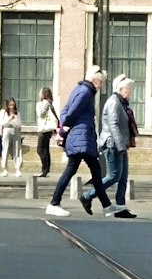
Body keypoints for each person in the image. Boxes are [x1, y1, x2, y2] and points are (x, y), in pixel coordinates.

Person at [44, 66, 115, 218]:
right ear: (95, 80)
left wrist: (64, 126)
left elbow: (65, 111)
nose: (101, 85)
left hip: (81, 136)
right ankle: (54, 203)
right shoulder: (86, 92)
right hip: (82, 136)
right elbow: (71, 113)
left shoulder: (79, 89)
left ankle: (107, 206)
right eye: (100, 82)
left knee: (93, 170)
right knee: (80, 169)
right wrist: (67, 126)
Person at [81, 75, 138, 218]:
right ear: (120, 89)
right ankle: (87, 196)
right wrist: (120, 146)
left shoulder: (122, 102)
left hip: (121, 144)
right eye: (128, 90)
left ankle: (120, 207)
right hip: (112, 144)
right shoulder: (114, 102)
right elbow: (113, 125)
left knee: (123, 177)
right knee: (113, 176)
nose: (130, 93)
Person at [35, 86, 59, 179]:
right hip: (48, 129)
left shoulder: (45, 103)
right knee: (45, 149)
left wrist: (38, 105)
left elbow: (41, 114)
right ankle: (46, 169)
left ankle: (44, 169)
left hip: (44, 129)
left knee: (40, 149)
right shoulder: (49, 102)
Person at [0, 96, 22, 176]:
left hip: (15, 131)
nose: (12, 106)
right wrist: (9, 119)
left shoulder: (17, 113)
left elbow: (19, 124)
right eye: (10, 104)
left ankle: (18, 169)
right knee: (5, 149)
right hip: (6, 130)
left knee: (17, 150)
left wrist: (15, 123)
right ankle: (5, 169)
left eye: (13, 104)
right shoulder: (3, 112)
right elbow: (1, 123)